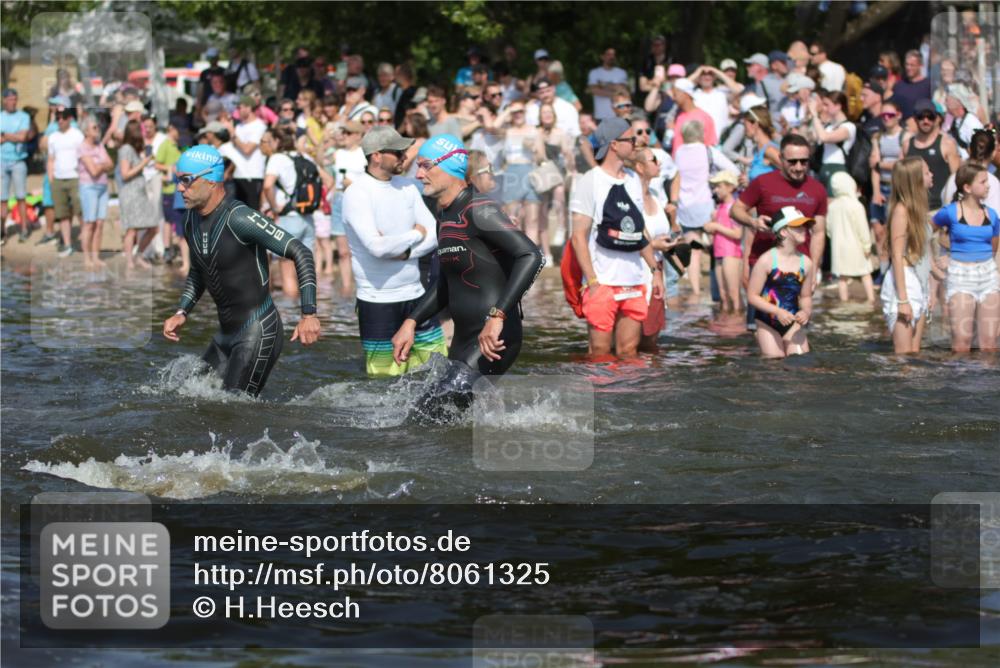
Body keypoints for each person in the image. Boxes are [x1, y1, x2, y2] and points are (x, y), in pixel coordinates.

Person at [391, 134, 544, 417]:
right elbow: (446, 283)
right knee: (442, 422)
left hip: (494, 337)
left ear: (451, 166)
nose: (419, 174)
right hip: (464, 339)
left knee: (427, 416)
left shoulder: (479, 209)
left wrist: (497, 316)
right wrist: (411, 322)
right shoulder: (445, 216)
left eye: (426, 166)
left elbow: (532, 256)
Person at [162, 145, 320, 397]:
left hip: (258, 330)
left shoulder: (240, 218)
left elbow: (301, 252)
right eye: (178, 180)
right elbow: (198, 270)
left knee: (234, 408)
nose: (180, 188)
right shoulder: (190, 219)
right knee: (189, 398)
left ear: (211, 180)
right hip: (224, 335)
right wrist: (182, 311)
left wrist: (308, 314)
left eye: (186, 180)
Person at [342, 126, 446, 376]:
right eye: (398, 152)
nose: (405, 156)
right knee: (384, 381)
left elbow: (435, 233)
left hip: (416, 295)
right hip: (377, 301)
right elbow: (377, 248)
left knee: (439, 370)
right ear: (376, 156)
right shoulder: (357, 193)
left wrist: (407, 252)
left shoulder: (408, 187)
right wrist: (415, 234)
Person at [569, 118, 664, 357]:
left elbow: (640, 231)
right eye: (630, 139)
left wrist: (655, 270)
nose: (636, 143)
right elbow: (578, 237)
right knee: (600, 352)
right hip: (602, 282)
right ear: (613, 144)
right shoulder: (590, 180)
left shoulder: (633, 180)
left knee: (629, 351)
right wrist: (592, 282)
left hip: (633, 281)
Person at [731, 134, 829, 327]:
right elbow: (735, 210)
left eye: (804, 161)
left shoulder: (817, 189)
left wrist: (814, 269)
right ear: (781, 158)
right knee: (759, 331)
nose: (799, 167)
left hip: (798, 270)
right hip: (764, 268)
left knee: (797, 329)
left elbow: (818, 232)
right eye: (792, 161)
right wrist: (753, 222)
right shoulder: (762, 183)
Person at [931, 163, 1000, 352]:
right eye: (983, 182)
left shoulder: (992, 215)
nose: (988, 185)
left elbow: (994, 248)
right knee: (962, 344)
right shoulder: (950, 211)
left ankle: (985, 374)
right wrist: (938, 261)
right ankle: (959, 373)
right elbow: (924, 233)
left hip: (988, 276)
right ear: (967, 187)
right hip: (960, 276)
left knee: (989, 345)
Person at [674, 119, 739, 301]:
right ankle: (718, 293)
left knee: (693, 251)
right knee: (716, 249)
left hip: (685, 207)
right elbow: (733, 169)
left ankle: (695, 293)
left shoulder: (679, 153)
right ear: (701, 133)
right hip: (706, 204)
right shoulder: (707, 151)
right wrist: (716, 178)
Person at [881, 157, 937, 353]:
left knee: (914, 354)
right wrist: (903, 300)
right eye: (927, 172)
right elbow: (896, 256)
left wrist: (930, 290)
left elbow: (924, 254)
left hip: (918, 280)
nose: (932, 175)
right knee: (903, 356)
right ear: (916, 180)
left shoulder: (918, 211)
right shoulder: (901, 211)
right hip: (903, 283)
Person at [261, 126, 322, 297]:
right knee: (304, 271)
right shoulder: (304, 156)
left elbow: (267, 185)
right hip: (308, 219)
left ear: (277, 141)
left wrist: (274, 207)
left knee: (287, 270)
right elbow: (325, 181)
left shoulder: (277, 158)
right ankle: (309, 307)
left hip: (288, 218)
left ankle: (290, 311)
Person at [746, 207, 814, 358]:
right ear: (783, 232)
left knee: (800, 362)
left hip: (793, 323)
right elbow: (752, 296)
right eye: (798, 226)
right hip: (767, 323)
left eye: (805, 226)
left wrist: (806, 312)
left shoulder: (806, 263)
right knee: (774, 362)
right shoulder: (766, 260)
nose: (804, 229)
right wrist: (777, 311)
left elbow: (806, 296)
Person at [629, 147, 674, 351]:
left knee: (651, 340)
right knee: (632, 341)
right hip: (635, 272)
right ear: (639, 167)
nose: (659, 163)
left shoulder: (656, 196)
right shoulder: (630, 197)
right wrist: (654, 245)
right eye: (653, 159)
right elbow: (630, 236)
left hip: (657, 272)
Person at [869, 100, 908, 280]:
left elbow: (901, 164)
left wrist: (880, 163)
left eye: (890, 115)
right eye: (883, 115)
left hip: (898, 188)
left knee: (896, 231)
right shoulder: (877, 138)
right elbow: (874, 167)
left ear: (898, 115)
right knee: (879, 231)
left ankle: (897, 270)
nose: (886, 118)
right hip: (882, 187)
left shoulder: (905, 137)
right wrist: (876, 192)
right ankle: (884, 272)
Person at [533, 101, 575, 262]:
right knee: (542, 211)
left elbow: (567, 153)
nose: (547, 115)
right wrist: (539, 137)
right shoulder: (536, 132)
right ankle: (547, 253)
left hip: (557, 171)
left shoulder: (560, 133)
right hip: (542, 171)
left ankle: (561, 227)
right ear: (540, 116)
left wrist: (571, 166)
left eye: (549, 112)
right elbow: (539, 156)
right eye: (544, 112)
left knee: (559, 191)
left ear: (554, 115)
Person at [902, 99, 960, 212]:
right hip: (914, 208)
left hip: (940, 208)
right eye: (921, 117)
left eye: (930, 117)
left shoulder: (947, 144)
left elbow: (957, 178)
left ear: (936, 119)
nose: (926, 121)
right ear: (915, 119)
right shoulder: (906, 145)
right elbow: (902, 178)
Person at [827, 171, 876, 303]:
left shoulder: (832, 207)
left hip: (839, 248)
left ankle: (844, 302)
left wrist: (834, 240)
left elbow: (829, 229)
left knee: (842, 277)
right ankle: (871, 299)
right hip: (856, 247)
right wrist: (867, 246)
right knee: (865, 273)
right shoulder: (856, 205)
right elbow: (863, 229)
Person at [118, 120, 160, 269]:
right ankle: (130, 262)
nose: (144, 132)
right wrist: (144, 162)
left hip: (140, 194)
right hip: (130, 195)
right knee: (132, 229)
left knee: (154, 228)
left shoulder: (133, 149)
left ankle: (138, 256)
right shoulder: (125, 149)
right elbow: (125, 174)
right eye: (142, 130)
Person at [499, 100, 541, 245]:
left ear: (525, 112)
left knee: (532, 218)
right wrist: (507, 110)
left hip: (530, 171)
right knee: (512, 218)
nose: (518, 114)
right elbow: (492, 126)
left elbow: (542, 157)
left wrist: (533, 148)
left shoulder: (534, 130)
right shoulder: (507, 130)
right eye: (514, 112)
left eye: (520, 111)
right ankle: (516, 253)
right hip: (512, 173)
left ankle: (534, 255)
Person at [702, 170, 743, 312]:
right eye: (714, 187)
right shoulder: (719, 208)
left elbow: (738, 234)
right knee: (723, 295)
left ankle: (737, 317)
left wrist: (716, 226)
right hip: (719, 253)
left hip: (731, 254)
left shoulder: (734, 207)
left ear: (730, 187)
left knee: (734, 294)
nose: (716, 190)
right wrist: (711, 226)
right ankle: (725, 319)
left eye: (719, 186)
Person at [75, 117, 113, 268]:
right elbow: (93, 171)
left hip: (102, 187)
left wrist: (100, 165)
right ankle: (87, 258)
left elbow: (111, 164)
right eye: (94, 128)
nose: (97, 130)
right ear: (86, 131)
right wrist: (102, 165)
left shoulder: (99, 145)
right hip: (88, 187)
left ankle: (96, 257)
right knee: (89, 223)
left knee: (100, 223)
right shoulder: (82, 147)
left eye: (97, 127)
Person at [47, 108, 84, 258]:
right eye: (58, 118)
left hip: (75, 177)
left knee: (80, 212)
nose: (60, 120)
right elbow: (51, 159)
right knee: (62, 214)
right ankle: (68, 245)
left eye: (63, 117)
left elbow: (83, 157)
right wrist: (51, 179)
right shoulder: (53, 137)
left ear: (69, 118)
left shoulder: (77, 135)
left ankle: (86, 242)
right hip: (58, 178)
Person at [220, 95, 267, 207]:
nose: (238, 111)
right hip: (238, 175)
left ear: (249, 108)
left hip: (252, 175)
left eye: (239, 107)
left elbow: (247, 149)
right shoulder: (239, 126)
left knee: (252, 211)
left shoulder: (259, 126)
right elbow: (234, 149)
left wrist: (232, 132)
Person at [809, 90, 856, 193]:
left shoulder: (848, 126)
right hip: (823, 167)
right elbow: (814, 138)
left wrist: (815, 115)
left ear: (838, 106)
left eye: (827, 105)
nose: (824, 108)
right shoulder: (829, 126)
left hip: (837, 168)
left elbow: (824, 137)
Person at [1, 88, 31, 243]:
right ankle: (2, 231)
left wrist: (5, 135)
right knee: (2, 199)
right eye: (10, 99)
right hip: (2, 161)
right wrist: (15, 136)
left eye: (15, 99)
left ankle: (24, 228)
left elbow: (23, 137)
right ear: (4, 100)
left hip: (18, 161)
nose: (13, 102)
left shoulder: (23, 116)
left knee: (21, 196)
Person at [670, 79, 717, 153]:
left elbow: (710, 146)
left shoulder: (704, 117)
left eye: (675, 94)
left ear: (685, 94)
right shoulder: (678, 116)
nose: (673, 98)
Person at [587, 47, 629, 122]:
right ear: (602, 56)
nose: (611, 57)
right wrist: (615, 93)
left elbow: (622, 89)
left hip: (619, 115)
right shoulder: (594, 73)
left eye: (613, 55)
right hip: (600, 116)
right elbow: (594, 91)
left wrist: (602, 84)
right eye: (608, 54)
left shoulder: (621, 73)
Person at [944, 83, 984, 159]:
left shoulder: (972, 122)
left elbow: (981, 150)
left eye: (947, 100)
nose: (945, 103)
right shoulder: (953, 121)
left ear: (958, 101)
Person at [741, 105, 780, 183]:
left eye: (745, 125)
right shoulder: (758, 150)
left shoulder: (769, 150)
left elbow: (791, 171)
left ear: (755, 124)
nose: (744, 129)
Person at [889, 50, 931, 121]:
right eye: (907, 64)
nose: (908, 68)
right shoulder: (899, 84)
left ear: (920, 66)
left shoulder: (928, 85)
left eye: (912, 65)